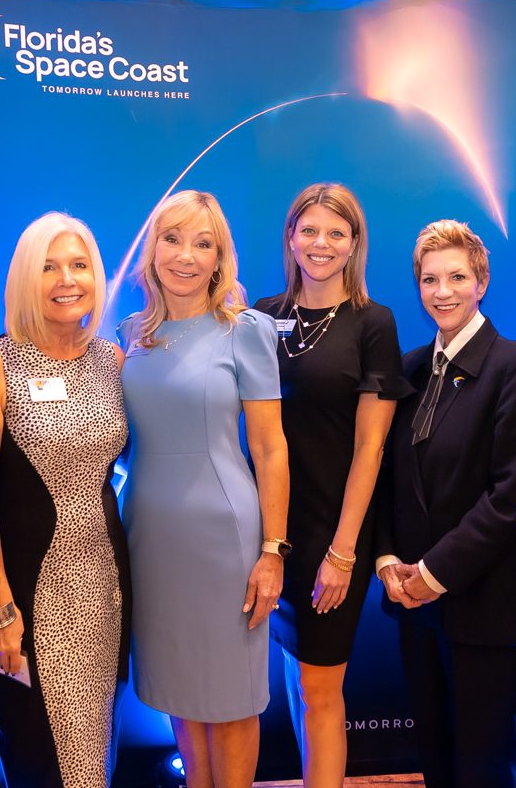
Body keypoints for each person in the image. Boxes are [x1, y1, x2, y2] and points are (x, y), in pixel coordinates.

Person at [0, 213, 131, 788]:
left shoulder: (112, 360)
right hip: (26, 598)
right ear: (26, 279)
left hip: (104, 591)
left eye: (79, 265)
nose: (67, 280)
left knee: (94, 759)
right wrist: (0, 612)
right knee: (40, 763)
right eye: (49, 267)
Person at [119, 190, 289, 788]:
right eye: (172, 239)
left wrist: (273, 551)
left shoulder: (245, 330)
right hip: (149, 536)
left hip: (224, 537)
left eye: (203, 243)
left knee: (231, 695)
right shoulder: (132, 333)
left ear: (220, 259)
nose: (185, 256)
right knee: (181, 687)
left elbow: (270, 448)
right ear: (152, 250)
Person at [374, 220, 516, 788]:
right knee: (436, 756)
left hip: (484, 601)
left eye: (456, 277)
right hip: (414, 602)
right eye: (429, 280)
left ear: (482, 282)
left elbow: (511, 497)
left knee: (484, 763)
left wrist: (434, 574)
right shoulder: (409, 369)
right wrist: (387, 559)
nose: (442, 291)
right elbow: (385, 477)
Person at [251, 183, 408, 788]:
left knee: (320, 688)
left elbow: (371, 448)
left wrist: (343, 552)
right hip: (269, 528)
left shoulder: (373, 322)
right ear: (291, 237)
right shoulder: (262, 315)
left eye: (336, 233)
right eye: (310, 230)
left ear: (354, 243)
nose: (321, 244)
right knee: (293, 679)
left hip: (333, 529)